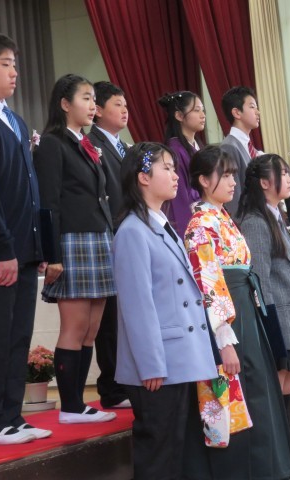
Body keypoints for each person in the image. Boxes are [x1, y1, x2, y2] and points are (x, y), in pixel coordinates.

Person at [182, 146, 290, 480]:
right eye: (225, 175)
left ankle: (269, 469)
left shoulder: (222, 217)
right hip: (228, 314)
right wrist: (223, 338)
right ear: (204, 180)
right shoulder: (200, 224)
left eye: (234, 174)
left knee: (258, 390)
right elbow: (208, 283)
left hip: (245, 306)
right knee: (237, 394)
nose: (233, 181)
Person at [112, 142, 218, 479]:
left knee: (175, 450)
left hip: (179, 358)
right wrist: (150, 364)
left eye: (175, 168)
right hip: (159, 365)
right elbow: (137, 306)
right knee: (159, 454)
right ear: (143, 177)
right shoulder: (132, 231)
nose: (176, 176)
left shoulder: (161, 223)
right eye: (167, 168)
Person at [0, 32, 49, 445]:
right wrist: (2, 248)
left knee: (19, 336)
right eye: (5, 64)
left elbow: (30, 187)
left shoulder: (15, 120)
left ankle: (11, 415)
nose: (15, 72)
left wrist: (38, 247)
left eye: (15, 64)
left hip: (23, 249)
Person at [33, 74, 116, 424]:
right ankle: (70, 407)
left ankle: (79, 404)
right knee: (75, 326)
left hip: (98, 238)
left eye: (94, 99)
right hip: (73, 241)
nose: (92, 105)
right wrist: (51, 254)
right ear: (65, 104)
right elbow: (48, 202)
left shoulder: (85, 142)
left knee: (92, 328)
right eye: (85, 98)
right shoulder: (53, 143)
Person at [237, 153, 290, 427]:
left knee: (288, 385)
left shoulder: (276, 215)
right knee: (277, 387)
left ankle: (286, 445)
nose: (289, 179)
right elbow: (259, 278)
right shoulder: (255, 221)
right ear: (264, 183)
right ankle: (278, 445)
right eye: (283, 174)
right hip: (280, 316)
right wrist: (269, 324)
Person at [87, 80, 130, 410]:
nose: (125, 110)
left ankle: (128, 380)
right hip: (111, 234)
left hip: (131, 233)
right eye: (117, 104)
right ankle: (112, 387)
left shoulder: (124, 146)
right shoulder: (93, 144)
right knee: (111, 318)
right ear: (98, 110)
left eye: (125, 104)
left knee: (127, 314)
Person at [158, 90, 206, 236]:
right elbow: (179, 198)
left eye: (203, 110)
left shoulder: (197, 146)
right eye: (196, 110)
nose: (203, 115)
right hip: (194, 219)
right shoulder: (175, 150)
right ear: (179, 115)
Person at [220, 86, 262, 216]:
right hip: (246, 219)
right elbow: (233, 196)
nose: (258, 112)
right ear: (237, 113)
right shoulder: (229, 147)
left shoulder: (249, 146)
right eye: (252, 107)